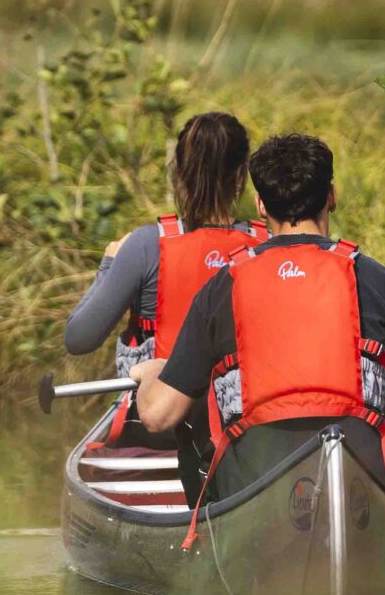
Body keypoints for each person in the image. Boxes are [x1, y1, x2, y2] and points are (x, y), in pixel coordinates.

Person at [132, 132, 385, 501]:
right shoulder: (380, 283)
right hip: (361, 483)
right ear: (331, 196)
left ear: (261, 206)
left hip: (253, 487)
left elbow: (158, 416)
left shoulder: (222, 287)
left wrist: (150, 374)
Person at [61, 113, 262, 448]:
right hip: (241, 428)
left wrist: (109, 265)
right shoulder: (266, 247)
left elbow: (79, 339)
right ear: (242, 175)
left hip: (157, 429)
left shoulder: (145, 246)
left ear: (178, 172)